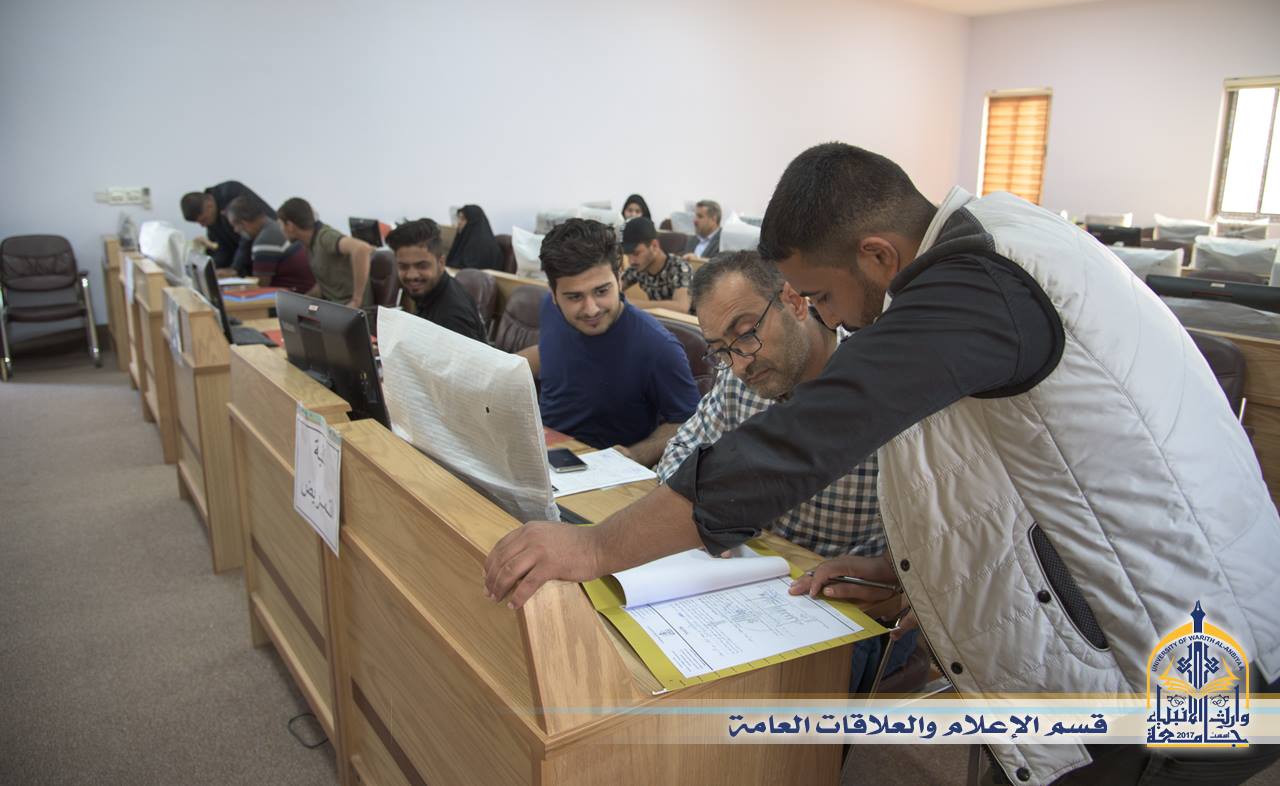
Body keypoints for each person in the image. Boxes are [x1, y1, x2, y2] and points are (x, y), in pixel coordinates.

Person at [485, 143, 1280, 785]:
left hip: (1174, 653)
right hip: (1129, 623)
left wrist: (595, 547)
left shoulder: (979, 281)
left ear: (878, 254)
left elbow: (806, 438)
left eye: (821, 296)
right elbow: (1019, 477)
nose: (824, 317)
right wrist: (913, 572)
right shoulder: (990, 250)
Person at [656, 251, 912, 691]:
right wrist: (709, 516)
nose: (739, 362)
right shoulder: (742, 379)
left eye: (746, 333)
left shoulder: (883, 388)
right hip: (752, 582)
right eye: (721, 351)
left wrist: (897, 578)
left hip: (849, 607)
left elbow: (943, 540)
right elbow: (677, 455)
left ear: (794, 301)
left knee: (735, 699)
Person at [519, 218, 700, 466]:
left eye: (602, 291)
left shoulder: (658, 346)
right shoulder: (550, 310)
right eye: (574, 297)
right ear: (553, 294)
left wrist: (636, 455)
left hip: (600, 467)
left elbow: (690, 422)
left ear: (619, 278)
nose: (591, 309)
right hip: (541, 448)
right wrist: (501, 367)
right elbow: (554, 352)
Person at [385, 218, 487, 343]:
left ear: (441, 263)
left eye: (422, 266)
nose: (411, 275)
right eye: (403, 267)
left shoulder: (451, 318)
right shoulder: (429, 293)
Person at [276, 197, 373, 310]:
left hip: (351, 312)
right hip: (335, 309)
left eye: (280, 224)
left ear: (290, 226)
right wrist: (299, 302)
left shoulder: (324, 237)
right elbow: (323, 287)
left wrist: (356, 300)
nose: (281, 229)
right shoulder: (309, 244)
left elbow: (362, 249)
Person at [180, 181, 274, 276]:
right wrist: (211, 270)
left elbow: (246, 235)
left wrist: (235, 269)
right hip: (249, 257)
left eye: (203, 220)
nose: (203, 225)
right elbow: (222, 247)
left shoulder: (231, 192)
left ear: (209, 205)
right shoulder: (211, 215)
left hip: (268, 250)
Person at [224, 196, 315, 293]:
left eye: (235, 225)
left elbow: (260, 287)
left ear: (244, 223)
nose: (235, 230)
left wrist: (228, 289)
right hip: (304, 292)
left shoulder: (264, 241)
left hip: (294, 297)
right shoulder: (272, 226)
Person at [620, 217, 692, 312]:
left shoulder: (680, 267)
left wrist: (630, 303)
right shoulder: (637, 267)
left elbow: (682, 307)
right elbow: (614, 289)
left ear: (654, 246)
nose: (631, 261)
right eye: (628, 255)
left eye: (636, 253)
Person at [446, 205, 505, 271]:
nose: (459, 222)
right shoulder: (465, 240)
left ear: (473, 222)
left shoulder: (485, 247)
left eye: (463, 219)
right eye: (459, 218)